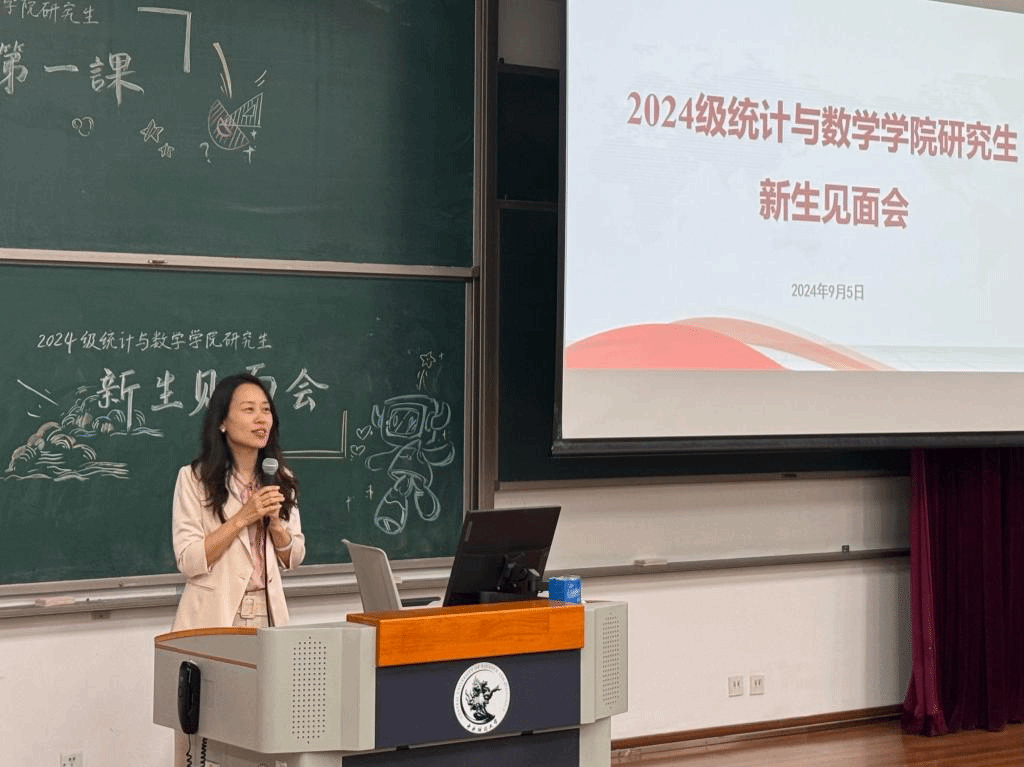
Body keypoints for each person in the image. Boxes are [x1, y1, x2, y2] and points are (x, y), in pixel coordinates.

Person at [169, 372, 306, 765]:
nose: (261, 419)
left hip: (267, 616)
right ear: (223, 423)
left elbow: (293, 556)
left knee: (263, 732)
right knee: (209, 737)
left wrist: (276, 526)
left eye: (266, 410)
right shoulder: (194, 479)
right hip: (217, 617)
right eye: (249, 410)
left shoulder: (280, 478)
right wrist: (243, 518)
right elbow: (189, 560)